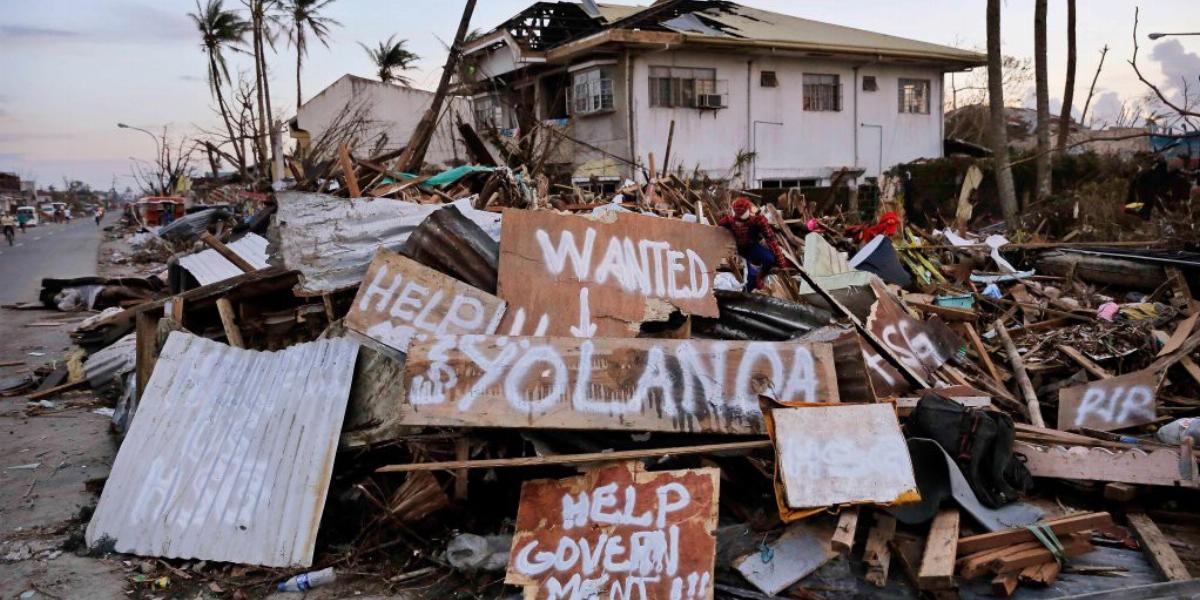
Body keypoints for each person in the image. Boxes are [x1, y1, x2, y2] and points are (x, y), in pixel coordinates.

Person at [719, 196, 785, 292]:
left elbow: (770, 238)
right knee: (750, 276)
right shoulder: (728, 221)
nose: (740, 223)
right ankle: (747, 292)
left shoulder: (758, 221)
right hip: (737, 249)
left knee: (769, 259)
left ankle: (760, 277)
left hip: (752, 247)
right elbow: (717, 229)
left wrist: (780, 258)